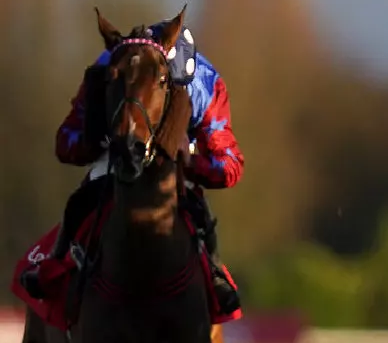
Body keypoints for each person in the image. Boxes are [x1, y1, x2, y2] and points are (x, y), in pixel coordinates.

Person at [19, 18, 244, 315]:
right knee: (80, 202)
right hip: (114, 153)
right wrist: (94, 140)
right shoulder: (104, 71)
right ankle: (55, 266)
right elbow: (64, 141)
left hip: (172, 161)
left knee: (198, 211)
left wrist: (190, 162)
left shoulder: (204, 84)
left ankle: (214, 274)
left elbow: (228, 165)